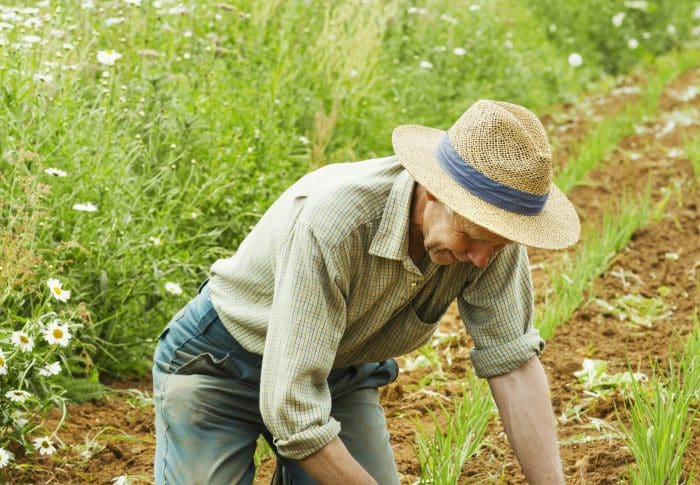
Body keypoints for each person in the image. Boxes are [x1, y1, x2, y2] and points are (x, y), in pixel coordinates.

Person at [152, 100, 580, 485]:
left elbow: (514, 365)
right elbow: (292, 409)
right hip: (220, 367)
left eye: (498, 243)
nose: (483, 258)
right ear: (434, 191)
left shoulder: (490, 239)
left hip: (338, 374)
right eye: (471, 237)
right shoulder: (335, 223)